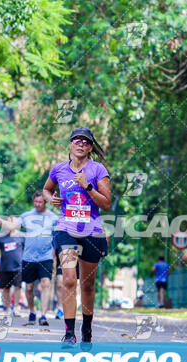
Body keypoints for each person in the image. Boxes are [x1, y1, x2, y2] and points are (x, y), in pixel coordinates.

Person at [42, 126, 110, 347]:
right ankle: (69, 332)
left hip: (92, 231)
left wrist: (87, 186)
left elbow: (106, 203)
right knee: (69, 279)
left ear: (90, 147)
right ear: (70, 144)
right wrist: (50, 197)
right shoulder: (59, 169)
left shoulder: (98, 170)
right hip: (65, 229)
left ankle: (86, 327)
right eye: (76, 140)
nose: (81, 144)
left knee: (87, 285)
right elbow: (46, 189)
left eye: (85, 141)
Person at [0, 190, 58, 326]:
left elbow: (59, 237)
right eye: (35, 202)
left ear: (46, 202)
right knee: (29, 288)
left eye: (40, 202)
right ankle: (32, 311)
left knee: (46, 284)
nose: (37, 204)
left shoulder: (53, 217)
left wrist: (55, 258)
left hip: (46, 257)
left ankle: (43, 315)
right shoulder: (27, 216)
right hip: (28, 258)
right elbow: (12, 226)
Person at [0, 216, 25, 317]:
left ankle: (16, 307)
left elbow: (26, 250)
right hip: (4, 267)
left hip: (18, 267)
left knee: (17, 287)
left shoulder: (22, 237)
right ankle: (7, 308)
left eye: (13, 222)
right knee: (5, 288)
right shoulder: (1, 237)